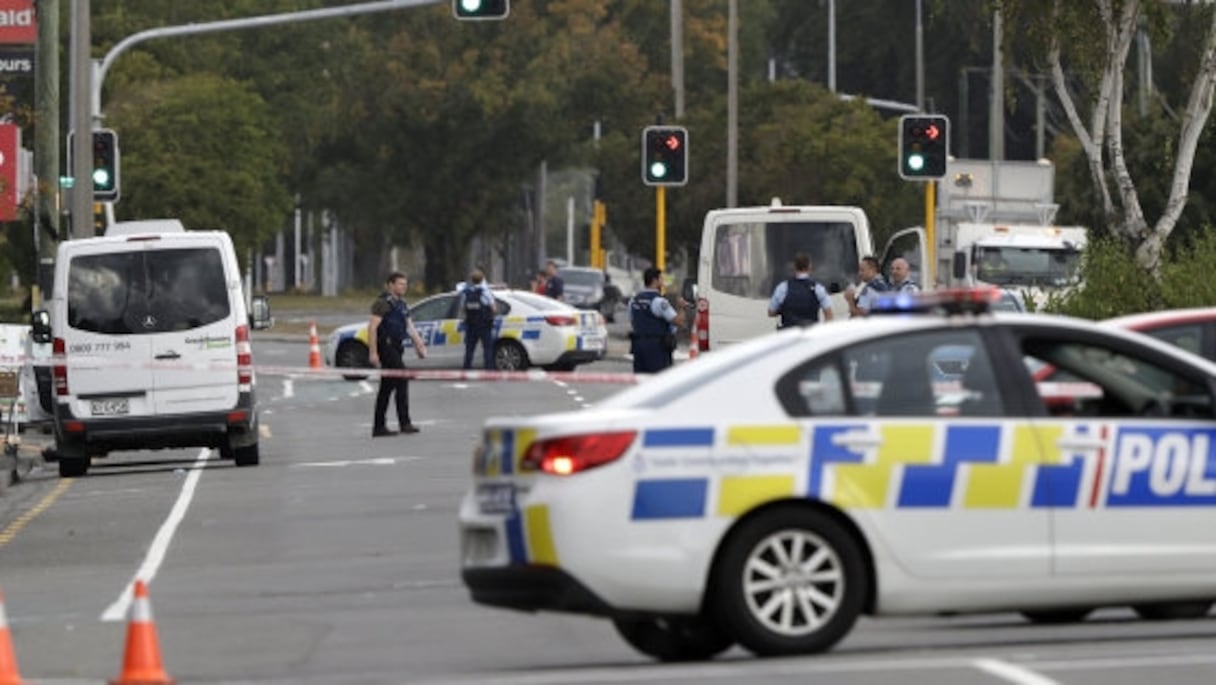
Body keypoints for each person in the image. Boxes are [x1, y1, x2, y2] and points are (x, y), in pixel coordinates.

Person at [368, 271, 427, 437]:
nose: (404, 287)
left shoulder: (402, 304)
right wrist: (373, 353)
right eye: (400, 284)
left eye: (405, 284)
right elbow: (372, 328)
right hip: (385, 346)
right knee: (402, 379)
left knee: (386, 387)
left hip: (396, 346)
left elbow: (409, 326)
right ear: (391, 285)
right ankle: (404, 423)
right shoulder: (382, 303)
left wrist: (419, 346)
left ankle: (379, 427)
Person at [629, 267, 686, 373]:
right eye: (661, 279)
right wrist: (682, 307)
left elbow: (633, 322)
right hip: (657, 347)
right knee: (659, 381)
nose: (662, 282)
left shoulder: (634, 300)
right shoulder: (659, 302)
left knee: (641, 381)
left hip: (638, 345)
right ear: (655, 281)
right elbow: (679, 322)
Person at [767, 252, 834, 328]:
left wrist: (783, 310)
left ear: (794, 267)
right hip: (811, 335)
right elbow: (829, 315)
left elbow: (771, 312)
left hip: (789, 335)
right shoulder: (818, 288)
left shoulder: (783, 288)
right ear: (809, 267)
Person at [460, 269, 497, 370]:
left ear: (471, 280)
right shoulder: (485, 292)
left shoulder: (466, 293)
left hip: (471, 325)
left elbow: (463, 308)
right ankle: (489, 370)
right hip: (484, 325)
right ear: (482, 279)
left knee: (469, 350)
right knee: (487, 349)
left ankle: (466, 370)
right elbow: (494, 308)